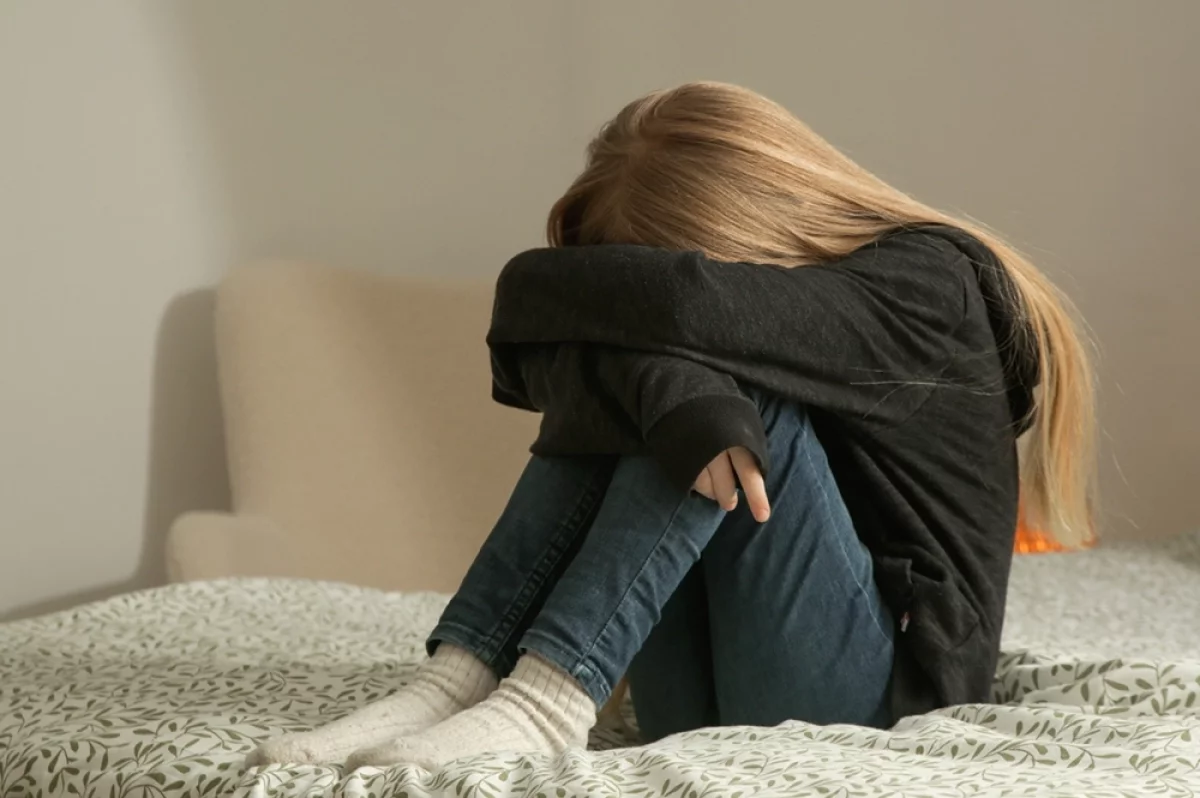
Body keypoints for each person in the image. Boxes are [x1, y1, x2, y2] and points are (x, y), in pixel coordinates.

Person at [249, 81, 1095, 771]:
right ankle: (457, 682)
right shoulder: (785, 306)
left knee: (728, 398)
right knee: (671, 394)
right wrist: (662, 383)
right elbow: (536, 330)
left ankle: (546, 703)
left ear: (747, 222)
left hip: (877, 705)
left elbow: (643, 308)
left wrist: (670, 379)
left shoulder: (928, 285)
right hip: (698, 698)